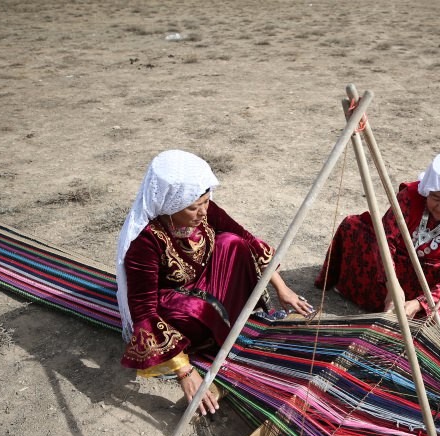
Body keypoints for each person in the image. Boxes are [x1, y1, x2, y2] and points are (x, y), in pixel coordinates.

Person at [116, 150, 313, 416]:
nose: (202, 212)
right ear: (169, 205)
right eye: (192, 207)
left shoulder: (204, 208)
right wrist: (185, 373)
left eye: (206, 202)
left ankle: (232, 320)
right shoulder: (146, 242)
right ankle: (207, 338)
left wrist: (281, 288)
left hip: (204, 284)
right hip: (173, 305)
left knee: (233, 243)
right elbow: (144, 310)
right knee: (199, 309)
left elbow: (249, 239)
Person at [315, 150, 440, 319]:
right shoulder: (410, 198)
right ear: (428, 190)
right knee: (352, 226)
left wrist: (418, 303)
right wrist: (392, 286)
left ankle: (409, 309)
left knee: (425, 311)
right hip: (388, 269)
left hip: (422, 283)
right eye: (435, 197)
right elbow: (386, 239)